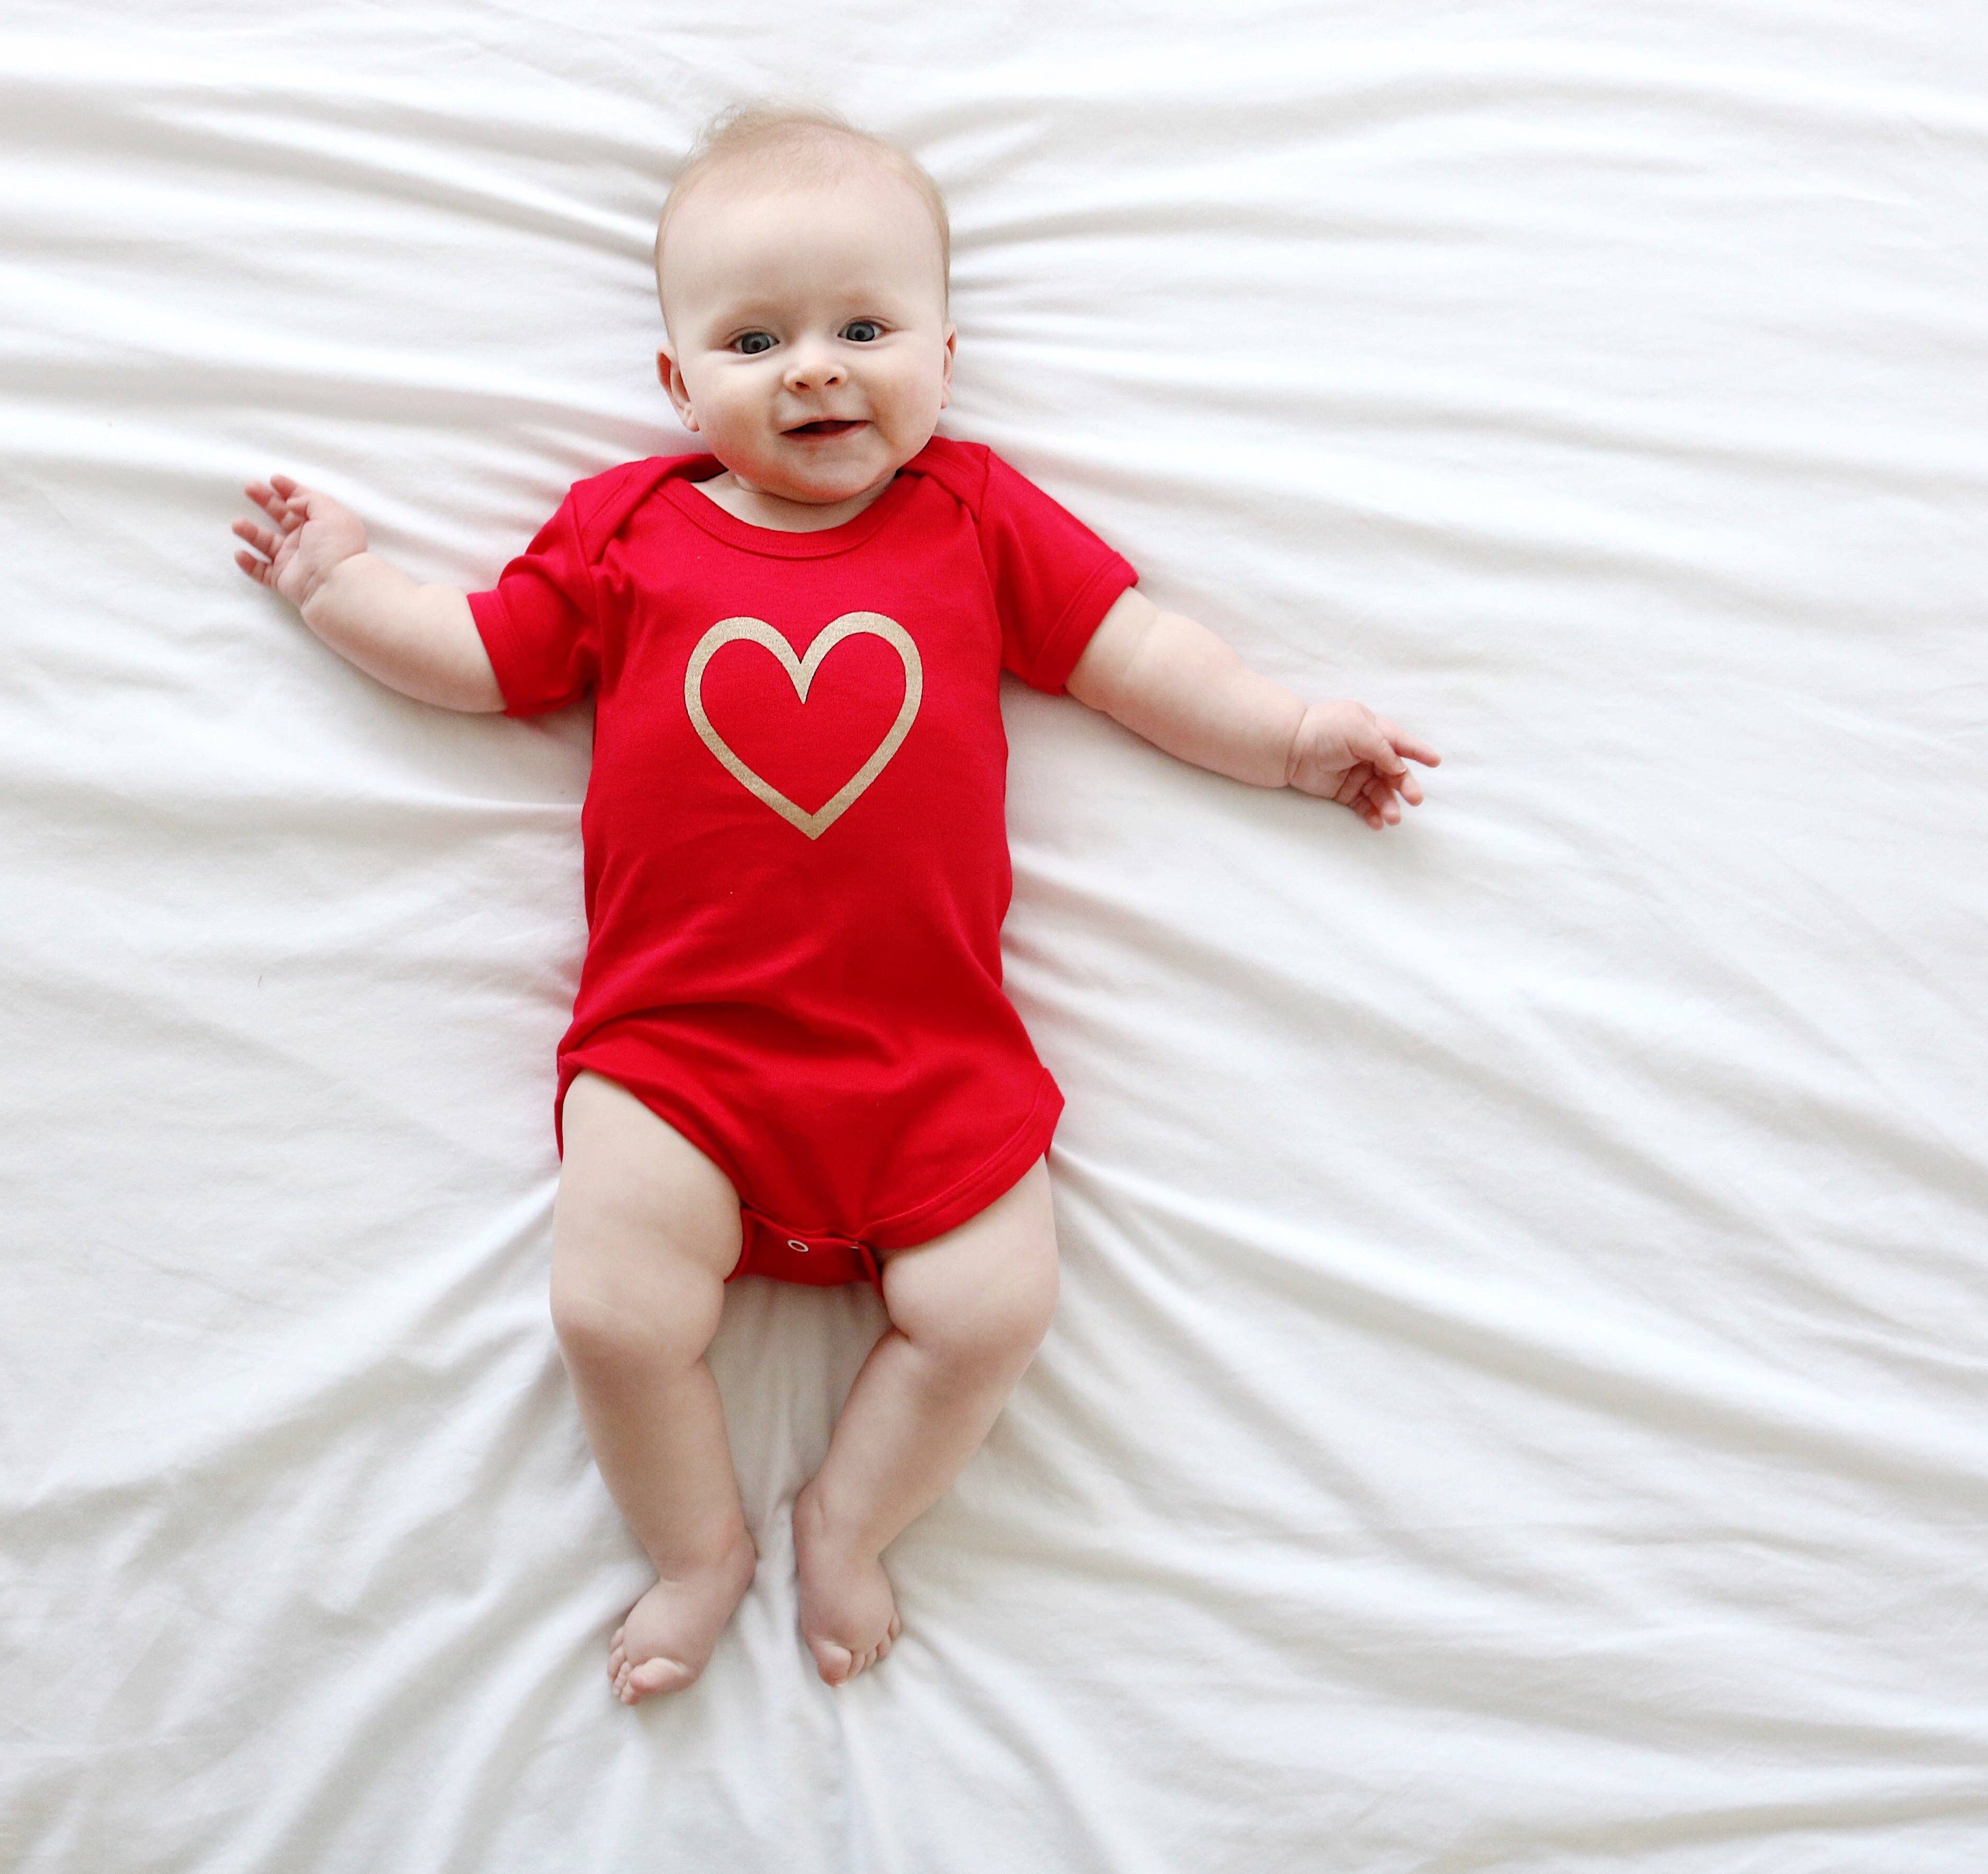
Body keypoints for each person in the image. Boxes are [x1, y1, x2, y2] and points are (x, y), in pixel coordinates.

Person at [229, 103, 1440, 1705]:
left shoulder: (977, 517)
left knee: (993, 1307)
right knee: (609, 1310)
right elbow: (490, 659)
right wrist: (343, 589)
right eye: (754, 338)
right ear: (676, 386)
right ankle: (696, 1545)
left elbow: (1134, 652)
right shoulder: (629, 530)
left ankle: (850, 1522)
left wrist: (1288, 738)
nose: (814, 368)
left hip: (928, 1053)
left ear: (947, 350)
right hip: (682, 1057)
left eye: (865, 327)